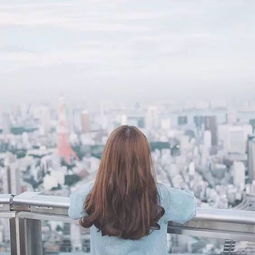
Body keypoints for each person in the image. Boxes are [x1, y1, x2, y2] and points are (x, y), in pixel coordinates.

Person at [68, 125, 196, 255]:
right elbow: (190, 208)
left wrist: (99, 182)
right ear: (144, 159)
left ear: (108, 158)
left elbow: (73, 210)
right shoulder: (160, 195)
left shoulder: (95, 192)